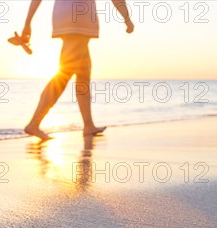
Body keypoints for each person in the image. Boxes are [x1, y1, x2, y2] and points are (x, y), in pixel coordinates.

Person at [21, 0, 134, 140]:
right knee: (65, 73)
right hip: (78, 18)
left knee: (83, 72)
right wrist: (126, 18)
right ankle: (34, 124)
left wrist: (28, 22)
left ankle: (88, 125)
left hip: (67, 16)